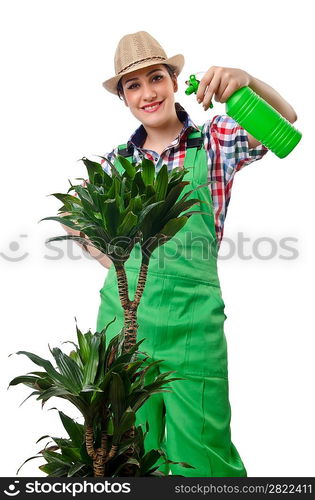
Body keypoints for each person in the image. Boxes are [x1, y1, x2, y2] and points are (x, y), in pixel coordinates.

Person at [62, 31, 297, 477]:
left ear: (174, 81)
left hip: (193, 324)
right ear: (124, 99)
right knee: (126, 455)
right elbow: (75, 219)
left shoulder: (214, 143)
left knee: (203, 457)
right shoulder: (114, 164)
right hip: (122, 324)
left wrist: (246, 82)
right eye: (133, 85)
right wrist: (109, 257)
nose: (148, 93)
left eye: (156, 78)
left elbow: (286, 123)